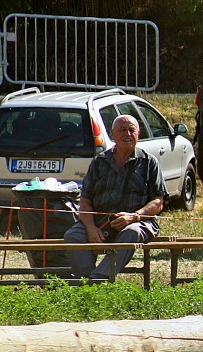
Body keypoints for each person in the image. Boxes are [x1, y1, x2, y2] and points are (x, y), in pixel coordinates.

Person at [64, 115, 166, 280]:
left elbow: (158, 202)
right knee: (73, 235)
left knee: (131, 232)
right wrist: (90, 228)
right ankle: (87, 282)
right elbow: (85, 201)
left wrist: (134, 216)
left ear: (138, 133)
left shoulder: (149, 162)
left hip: (138, 222)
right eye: (122, 130)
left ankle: (98, 279)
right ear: (112, 135)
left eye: (132, 130)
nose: (128, 134)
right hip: (100, 221)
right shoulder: (99, 162)